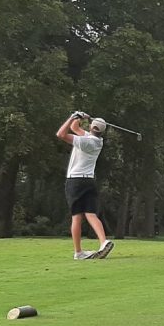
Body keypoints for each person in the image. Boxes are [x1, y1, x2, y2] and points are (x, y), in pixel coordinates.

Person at [56, 111, 114, 260]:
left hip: (75, 181)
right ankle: (103, 242)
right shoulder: (97, 141)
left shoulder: (86, 141)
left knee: (77, 217)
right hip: (89, 181)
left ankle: (78, 252)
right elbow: (75, 128)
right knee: (91, 214)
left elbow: (61, 134)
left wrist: (72, 116)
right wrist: (80, 117)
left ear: (92, 127)